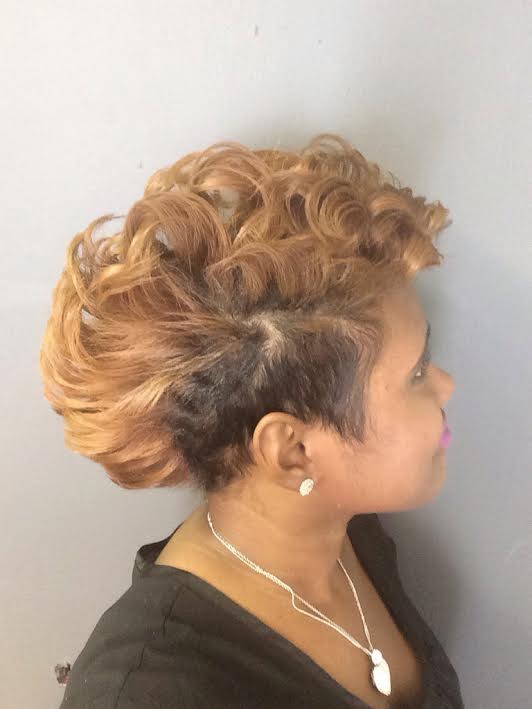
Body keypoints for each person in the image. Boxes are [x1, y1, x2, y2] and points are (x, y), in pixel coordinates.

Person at [40, 133, 464, 708]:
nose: (446, 385)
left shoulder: (347, 530)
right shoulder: (150, 692)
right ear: (293, 452)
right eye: (415, 373)